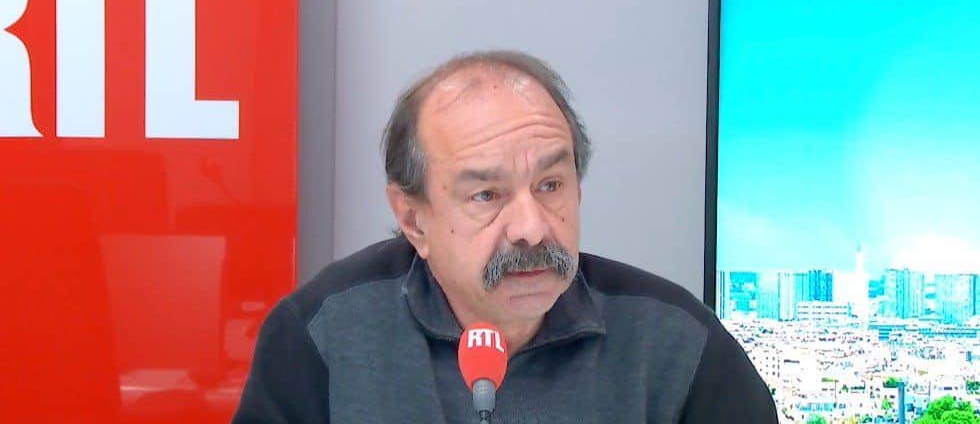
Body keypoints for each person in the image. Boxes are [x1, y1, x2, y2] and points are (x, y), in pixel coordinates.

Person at [232, 50, 778, 423]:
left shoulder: (675, 342)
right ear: (414, 219)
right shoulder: (322, 335)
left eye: (550, 185)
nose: (532, 228)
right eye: (486, 195)